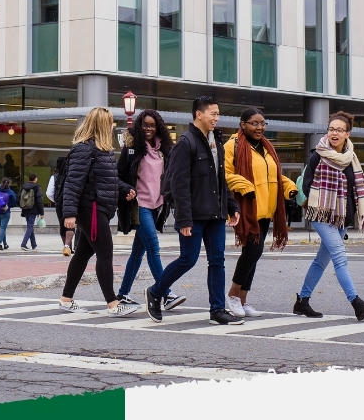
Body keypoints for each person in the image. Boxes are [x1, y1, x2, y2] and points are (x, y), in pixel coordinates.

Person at [146, 96, 242, 325]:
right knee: (188, 259)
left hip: (216, 214)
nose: (216, 118)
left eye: (218, 114)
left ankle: (217, 310)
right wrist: (184, 219)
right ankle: (156, 291)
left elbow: (221, 179)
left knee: (217, 261)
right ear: (199, 114)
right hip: (194, 215)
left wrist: (231, 206)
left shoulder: (216, 141)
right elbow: (179, 185)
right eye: (213, 113)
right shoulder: (185, 143)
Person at [292, 111, 364, 321]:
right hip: (321, 213)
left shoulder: (351, 158)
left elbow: (354, 190)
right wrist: (324, 198)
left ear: (347, 133)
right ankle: (357, 303)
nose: (334, 133)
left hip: (342, 218)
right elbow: (306, 183)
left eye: (339, 129)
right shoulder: (318, 155)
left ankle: (302, 301)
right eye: (331, 129)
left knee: (321, 262)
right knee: (340, 258)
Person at [58, 107, 141, 317]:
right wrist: (69, 214)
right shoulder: (85, 149)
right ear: (101, 124)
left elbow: (106, 180)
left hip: (98, 208)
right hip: (91, 209)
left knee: (83, 254)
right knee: (105, 253)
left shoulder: (100, 150)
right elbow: (73, 183)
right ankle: (113, 303)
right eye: (109, 123)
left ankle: (66, 299)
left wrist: (124, 190)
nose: (111, 126)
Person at [223, 107, 298, 318]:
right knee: (252, 253)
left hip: (266, 209)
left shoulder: (267, 147)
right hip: (248, 208)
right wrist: (245, 185)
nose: (259, 127)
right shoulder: (233, 146)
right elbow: (226, 174)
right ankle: (233, 295)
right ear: (243, 124)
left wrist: (289, 186)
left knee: (254, 255)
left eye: (262, 123)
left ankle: (243, 299)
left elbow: (275, 175)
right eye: (254, 123)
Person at [115, 109, 184, 310]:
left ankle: (122, 294)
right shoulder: (132, 149)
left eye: (152, 125)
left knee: (138, 253)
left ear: (158, 127)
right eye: (145, 124)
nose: (148, 128)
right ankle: (165, 293)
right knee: (153, 246)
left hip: (156, 206)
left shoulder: (164, 150)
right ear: (139, 125)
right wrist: (127, 188)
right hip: (139, 205)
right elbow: (117, 176)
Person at [49, 157, 75, 256]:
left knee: (62, 224)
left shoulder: (54, 177)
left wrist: (56, 200)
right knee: (71, 224)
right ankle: (68, 246)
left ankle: (65, 246)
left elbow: (49, 193)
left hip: (59, 204)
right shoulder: (71, 176)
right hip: (71, 202)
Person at [18, 173, 44, 251]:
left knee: (30, 226)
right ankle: (23, 244)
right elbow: (40, 201)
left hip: (25, 209)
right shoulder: (37, 187)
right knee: (30, 227)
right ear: (35, 179)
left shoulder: (23, 186)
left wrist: (22, 206)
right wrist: (41, 212)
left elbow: (18, 197)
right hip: (33, 209)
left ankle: (34, 246)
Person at [0, 177, 18, 251]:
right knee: (3, 228)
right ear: (9, 184)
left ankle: (5, 244)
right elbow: (14, 203)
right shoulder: (11, 192)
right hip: (6, 212)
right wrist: (8, 205)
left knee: (2, 228)